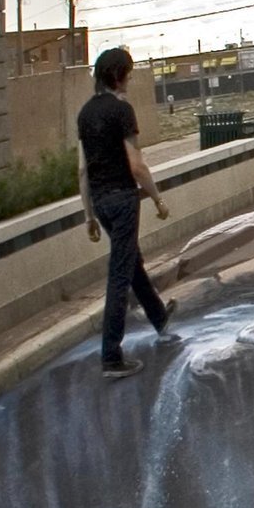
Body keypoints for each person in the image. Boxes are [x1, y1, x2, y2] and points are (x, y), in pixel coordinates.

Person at [77, 47, 173, 379]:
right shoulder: (122, 110)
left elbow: (82, 170)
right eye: (128, 74)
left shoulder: (85, 114)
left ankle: (159, 317)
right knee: (120, 273)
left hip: (101, 202)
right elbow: (137, 165)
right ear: (118, 76)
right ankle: (111, 356)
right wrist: (157, 199)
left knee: (131, 262)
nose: (130, 80)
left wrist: (88, 215)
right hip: (123, 200)